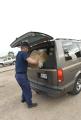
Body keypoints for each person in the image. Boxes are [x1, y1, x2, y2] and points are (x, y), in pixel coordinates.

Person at [15, 42, 38, 108]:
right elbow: (32, 61)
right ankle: (30, 104)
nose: (28, 50)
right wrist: (37, 60)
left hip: (17, 75)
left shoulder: (18, 54)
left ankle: (23, 99)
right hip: (22, 76)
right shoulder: (23, 53)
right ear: (24, 48)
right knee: (27, 89)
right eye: (27, 48)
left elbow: (24, 63)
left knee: (23, 88)